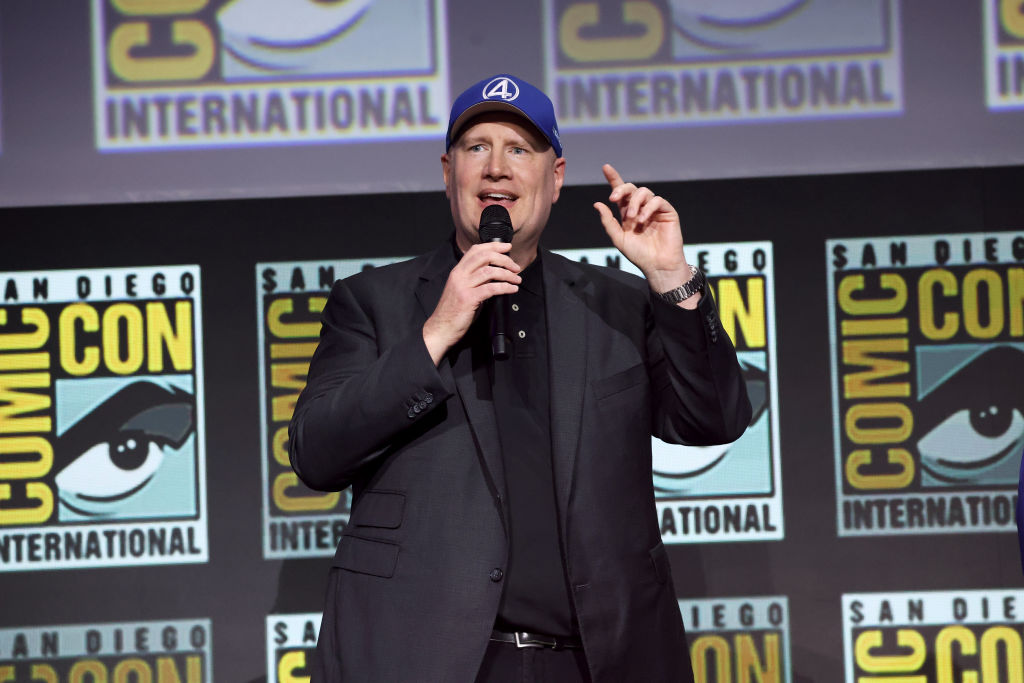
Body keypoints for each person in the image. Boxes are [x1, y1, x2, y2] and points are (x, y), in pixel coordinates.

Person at [289, 74, 751, 682]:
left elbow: (714, 420)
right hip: (430, 662)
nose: (496, 168)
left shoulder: (617, 305)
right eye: (477, 147)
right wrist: (436, 333)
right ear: (448, 172)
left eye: (519, 149)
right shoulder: (373, 303)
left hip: (598, 662)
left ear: (555, 178)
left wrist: (671, 280)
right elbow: (316, 454)